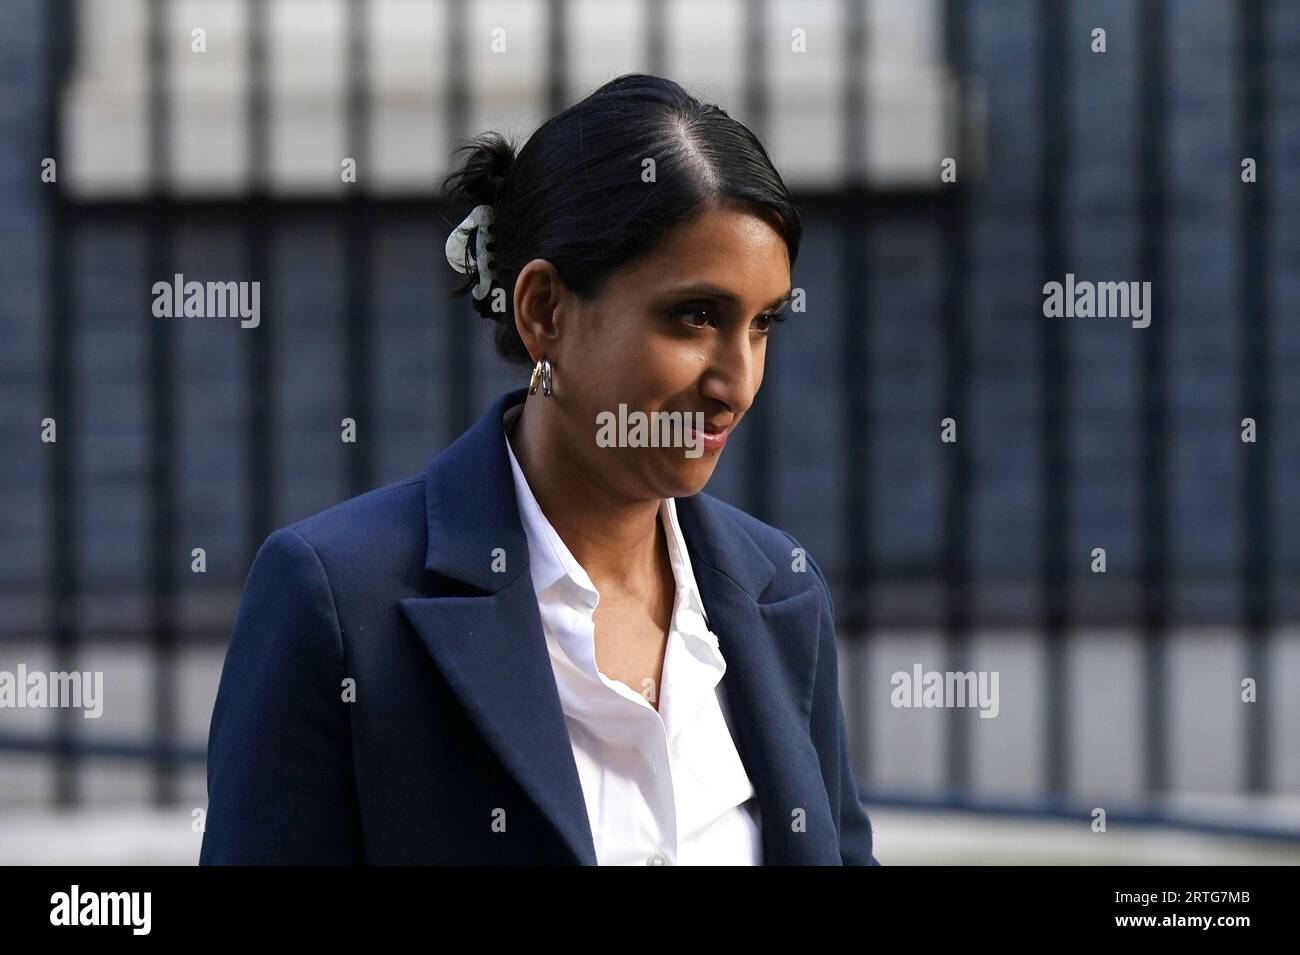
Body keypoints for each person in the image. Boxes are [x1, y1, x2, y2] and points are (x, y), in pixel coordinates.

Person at [200, 73, 878, 866]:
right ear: (545, 310)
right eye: (695, 316)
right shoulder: (340, 602)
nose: (738, 381)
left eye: (763, 324)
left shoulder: (781, 591)